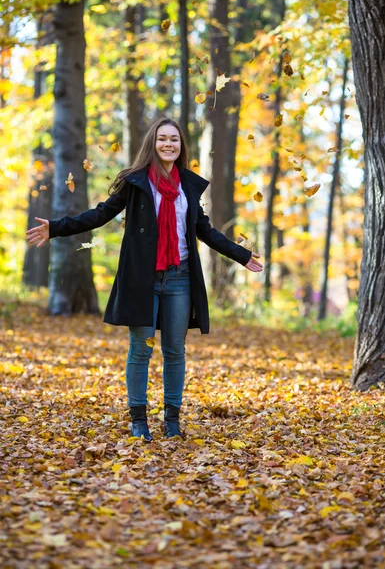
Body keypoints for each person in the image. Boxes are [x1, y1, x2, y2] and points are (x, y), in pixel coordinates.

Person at [26, 117, 263, 441]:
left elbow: (204, 230)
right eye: (163, 139)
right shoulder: (135, 182)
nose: (168, 144)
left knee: (175, 350)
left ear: (181, 147)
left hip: (179, 278)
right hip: (143, 278)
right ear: (153, 142)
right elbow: (99, 214)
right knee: (140, 348)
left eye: (174, 140)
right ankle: (139, 420)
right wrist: (56, 227)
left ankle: (172, 421)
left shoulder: (188, 186)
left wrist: (241, 254)